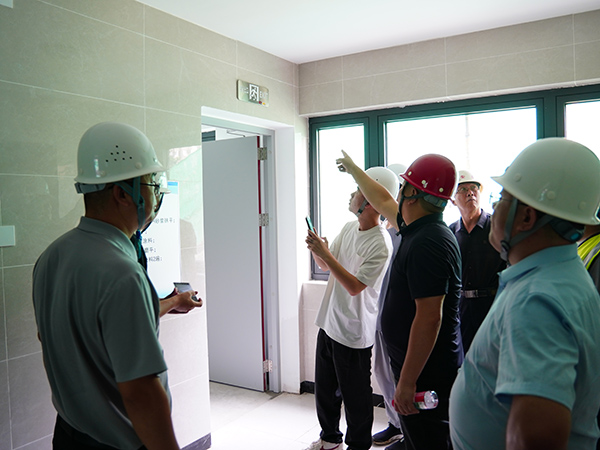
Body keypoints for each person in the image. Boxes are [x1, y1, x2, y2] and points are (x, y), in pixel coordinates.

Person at [32, 122, 201, 450]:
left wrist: (170, 302)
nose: (158, 194)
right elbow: (140, 392)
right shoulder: (123, 273)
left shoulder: (52, 256)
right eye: (152, 184)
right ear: (123, 194)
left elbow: (84, 328)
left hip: (68, 434)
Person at [450, 138, 600, 450]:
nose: (494, 207)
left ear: (526, 217)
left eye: (502, 198)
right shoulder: (557, 274)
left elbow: (536, 438)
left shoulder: (537, 300)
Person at [336, 151, 462, 450]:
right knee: (416, 437)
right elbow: (382, 200)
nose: (397, 193)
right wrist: (354, 170)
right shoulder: (418, 228)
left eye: (403, 187)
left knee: (429, 440)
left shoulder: (429, 243)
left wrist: (407, 382)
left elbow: (429, 318)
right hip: (418, 368)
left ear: (413, 195)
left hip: (426, 374)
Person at [304, 166, 399, 450]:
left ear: (370, 201)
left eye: (357, 190)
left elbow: (355, 286)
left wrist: (326, 254)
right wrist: (318, 251)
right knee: (325, 390)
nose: (351, 194)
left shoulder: (381, 243)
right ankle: (330, 439)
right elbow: (327, 266)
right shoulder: (348, 228)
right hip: (329, 322)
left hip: (353, 332)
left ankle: (358, 445)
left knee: (356, 398)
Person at [449, 170, 505, 353]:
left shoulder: (496, 226)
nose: (470, 193)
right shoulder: (450, 233)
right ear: (453, 200)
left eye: (474, 188)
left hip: (494, 306)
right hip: (462, 310)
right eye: (463, 190)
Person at [371, 163, 406, 449]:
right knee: (382, 372)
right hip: (380, 314)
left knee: (400, 375)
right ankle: (396, 425)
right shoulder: (384, 230)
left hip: (401, 318)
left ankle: (406, 429)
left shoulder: (408, 232)